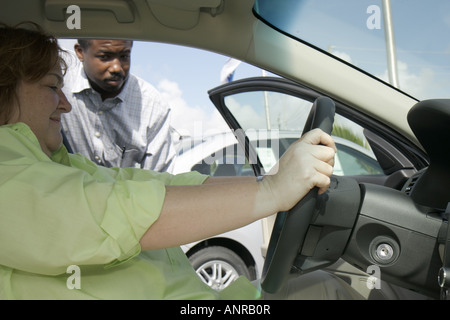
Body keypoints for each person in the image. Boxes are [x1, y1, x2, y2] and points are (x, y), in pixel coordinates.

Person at [0, 22, 361, 300]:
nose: (64, 104)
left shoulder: (60, 162)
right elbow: (110, 214)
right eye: (51, 87)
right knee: (331, 290)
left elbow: (153, 184)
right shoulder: (7, 175)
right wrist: (270, 192)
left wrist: (276, 179)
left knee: (323, 286)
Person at [60, 38, 176, 172]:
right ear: (80, 52)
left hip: (125, 193)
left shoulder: (152, 106)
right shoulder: (59, 83)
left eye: (124, 56)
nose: (116, 67)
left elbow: (160, 179)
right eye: (105, 57)